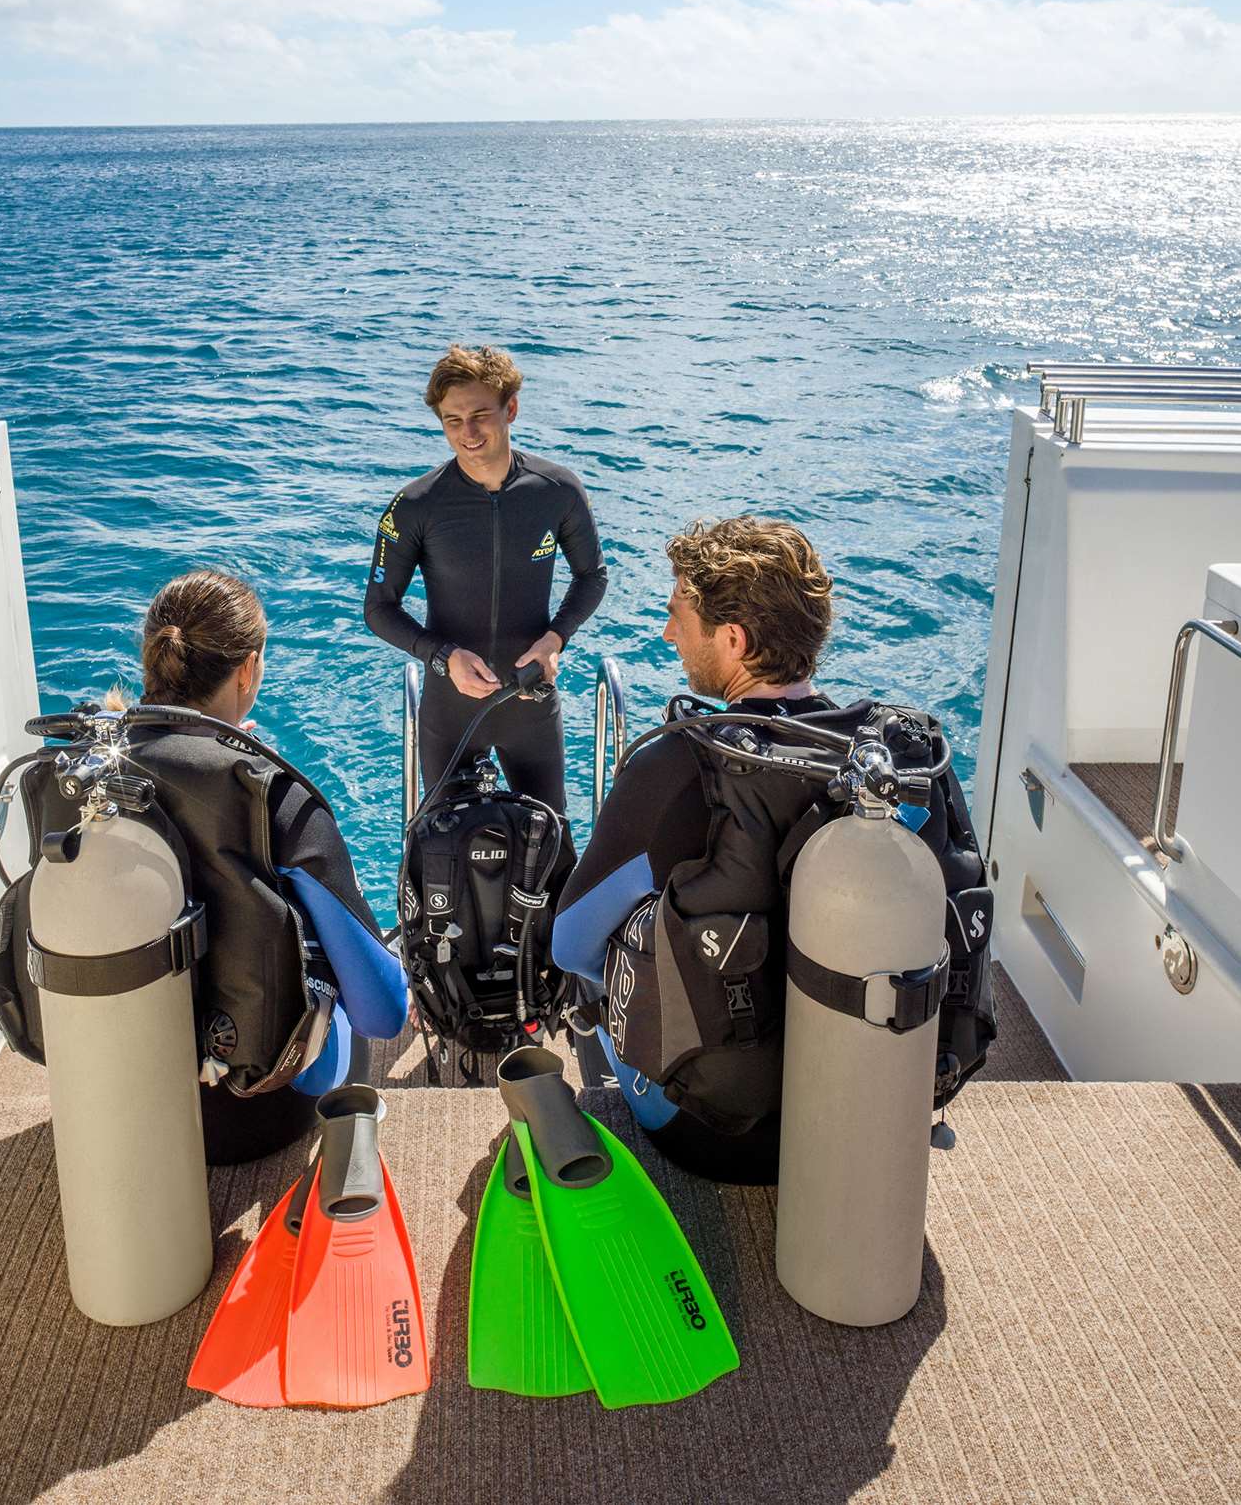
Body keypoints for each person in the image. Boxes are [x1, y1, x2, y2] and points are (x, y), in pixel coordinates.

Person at [551, 517, 996, 1183]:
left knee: (598, 976)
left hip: (724, 1140)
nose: (668, 634)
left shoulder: (677, 764)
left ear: (732, 640)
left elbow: (569, 946)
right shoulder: (900, 759)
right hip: (876, 1116)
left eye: (679, 616)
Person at [0, 569, 407, 1164]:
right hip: (245, 1118)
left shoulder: (74, 776)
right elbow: (384, 1014)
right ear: (248, 670)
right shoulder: (272, 796)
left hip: (112, 1104)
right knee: (361, 998)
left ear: (152, 659)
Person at [364, 344, 607, 812]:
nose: (468, 433)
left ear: (510, 408)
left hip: (531, 706)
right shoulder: (416, 504)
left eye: (480, 415)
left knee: (552, 855)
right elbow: (378, 608)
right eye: (452, 421)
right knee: (441, 860)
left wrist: (555, 639)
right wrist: (443, 656)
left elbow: (591, 576)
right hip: (450, 712)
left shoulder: (557, 491)